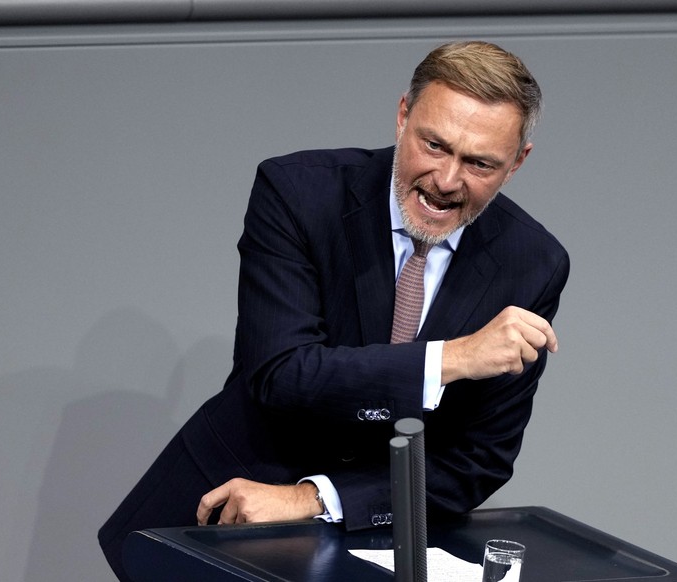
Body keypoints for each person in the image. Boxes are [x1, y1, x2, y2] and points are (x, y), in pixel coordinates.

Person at [98, 40, 569, 581]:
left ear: (517, 163)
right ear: (402, 117)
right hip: (224, 514)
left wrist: (314, 499)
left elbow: (475, 463)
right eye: (434, 145)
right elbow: (283, 372)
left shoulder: (532, 264)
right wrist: (450, 360)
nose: (446, 181)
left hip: (372, 540)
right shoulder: (300, 194)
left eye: (479, 163)